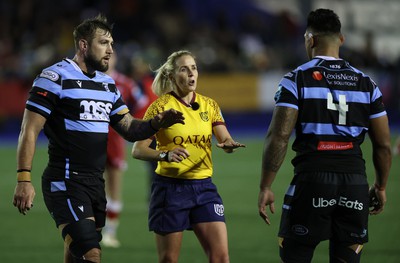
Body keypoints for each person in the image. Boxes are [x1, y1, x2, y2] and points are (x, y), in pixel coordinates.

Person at [12, 14, 184, 263]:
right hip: (66, 180)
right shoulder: (54, 78)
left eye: (112, 44)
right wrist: (23, 179)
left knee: (76, 254)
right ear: (83, 45)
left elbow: (128, 128)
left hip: (95, 184)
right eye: (104, 43)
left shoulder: (107, 85)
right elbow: (29, 130)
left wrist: (155, 124)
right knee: (91, 252)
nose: (111, 50)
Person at [258, 8, 391, 263]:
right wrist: (381, 186)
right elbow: (383, 144)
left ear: (310, 39)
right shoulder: (367, 84)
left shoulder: (296, 79)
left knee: (296, 255)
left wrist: (266, 186)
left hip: (312, 181)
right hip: (354, 183)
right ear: (341, 39)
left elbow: (279, 136)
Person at [131, 50, 245, 263]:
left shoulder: (209, 105)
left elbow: (225, 138)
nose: (191, 73)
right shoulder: (160, 107)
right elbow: (138, 150)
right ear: (172, 76)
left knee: (221, 258)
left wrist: (229, 144)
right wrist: (165, 154)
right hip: (170, 190)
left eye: (194, 68)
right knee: (169, 260)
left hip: (204, 189)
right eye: (184, 69)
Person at [102, 52, 148, 248]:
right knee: (93, 189)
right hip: (89, 141)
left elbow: (143, 104)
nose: (107, 58)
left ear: (116, 59)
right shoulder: (86, 81)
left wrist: (132, 126)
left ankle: (110, 232)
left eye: (111, 55)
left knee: (114, 187)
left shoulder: (126, 84)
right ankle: (94, 229)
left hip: (114, 141)